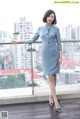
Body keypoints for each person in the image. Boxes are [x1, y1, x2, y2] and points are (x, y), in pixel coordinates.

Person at [27, 9, 62, 112]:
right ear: (46, 17)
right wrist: (26, 41)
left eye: (53, 17)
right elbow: (34, 38)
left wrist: (61, 57)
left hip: (54, 54)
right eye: (49, 16)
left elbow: (59, 44)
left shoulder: (56, 29)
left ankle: (50, 97)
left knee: (54, 76)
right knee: (50, 77)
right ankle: (56, 101)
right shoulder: (40, 28)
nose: (51, 18)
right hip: (45, 55)